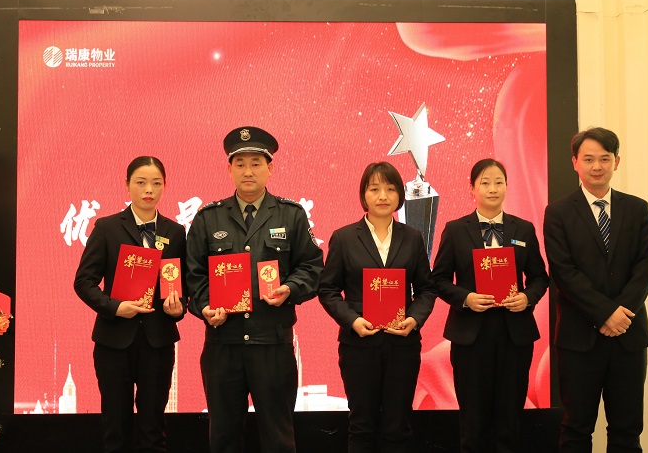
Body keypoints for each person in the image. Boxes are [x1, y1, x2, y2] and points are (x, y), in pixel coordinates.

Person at [185, 126, 323, 453]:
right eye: (241, 164)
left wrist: (290, 288)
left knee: (278, 437)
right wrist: (205, 307)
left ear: (270, 168)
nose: (248, 171)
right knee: (223, 437)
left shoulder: (291, 215)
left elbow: (312, 267)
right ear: (229, 169)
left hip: (272, 344)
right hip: (223, 344)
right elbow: (194, 274)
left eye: (256, 163)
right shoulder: (208, 218)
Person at [543, 127, 648, 452]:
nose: (597, 166)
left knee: (627, 431)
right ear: (575, 162)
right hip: (579, 340)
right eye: (589, 159)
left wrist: (621, 314)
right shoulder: (558, 212)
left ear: (616, 162)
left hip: (628, 336)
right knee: (576, 430)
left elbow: (645, 267)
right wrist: (606, 313)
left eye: (604, 159)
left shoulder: (637, 209)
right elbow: (564, 273)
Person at [430, 158, 549, 452]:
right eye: (485, 183)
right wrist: (466, 298)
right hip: (471, 335)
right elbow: (439, 280)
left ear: (507, 186)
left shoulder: (523, 229)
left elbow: (539, 278)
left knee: (510, 419)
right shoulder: (455, 230)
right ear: (472, 188)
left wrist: (527, 298)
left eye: (499, 182)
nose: (493, 189)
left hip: (514, 334)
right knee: (473, 421)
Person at [318, 161, 436, 453]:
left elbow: (426, 289)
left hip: (402, 345)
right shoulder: (344, 237)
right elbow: (328, 290)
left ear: (400, 195)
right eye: (374, 189)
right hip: (359, 346)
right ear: (364, 195)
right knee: (362, 426)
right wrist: (352, 321)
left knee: (398, 426)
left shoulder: (413, 237)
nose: (383, 196)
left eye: (390, 189)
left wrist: (414, 319)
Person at [73, 156, 187, 453]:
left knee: (153, 426)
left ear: (164, 186)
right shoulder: (107, 227)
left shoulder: (175, 232)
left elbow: (182, 284)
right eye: (141, 182)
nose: (149, 189)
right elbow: (84, 282)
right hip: (113, 341)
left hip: (158, 341)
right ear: (127, 185)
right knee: (116, 426)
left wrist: (179, 308)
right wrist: (114, 307)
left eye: (156, 183)